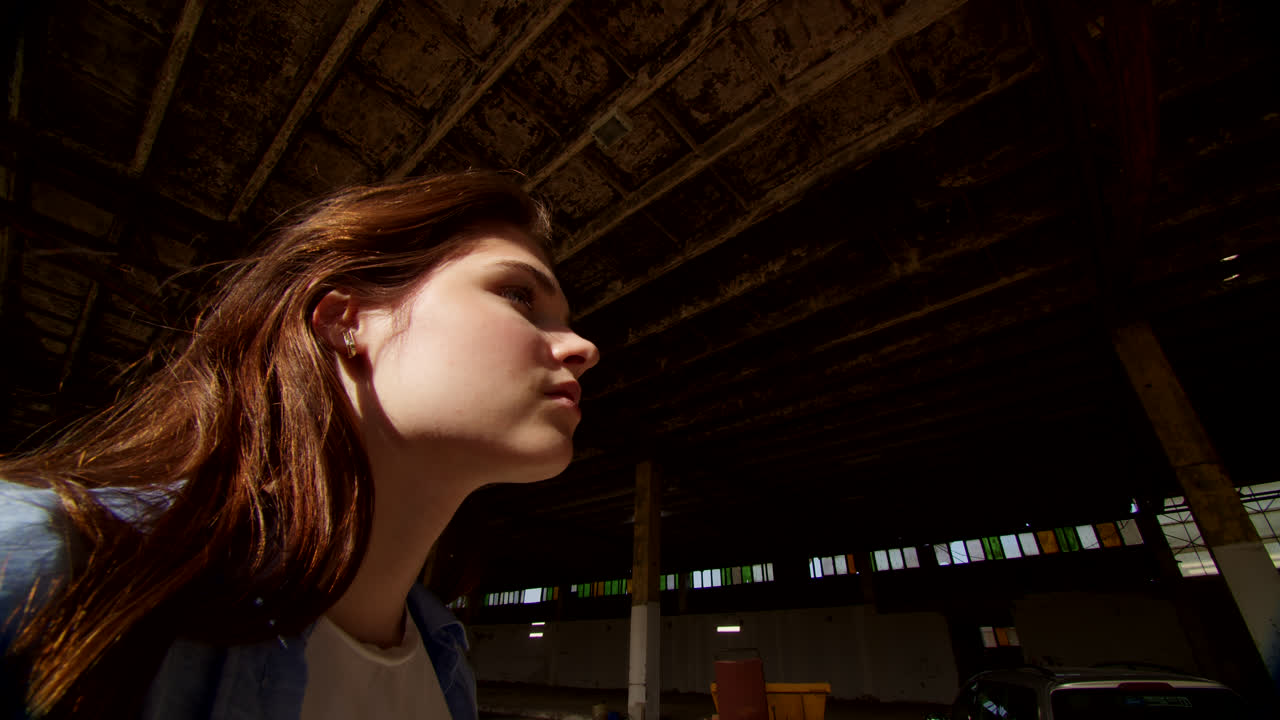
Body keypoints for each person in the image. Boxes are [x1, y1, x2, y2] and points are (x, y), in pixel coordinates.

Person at [0, 170, 600, 719]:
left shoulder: (446, 669)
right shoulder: (62, 566)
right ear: (345, 321)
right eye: (519, 296)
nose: (582, 347)